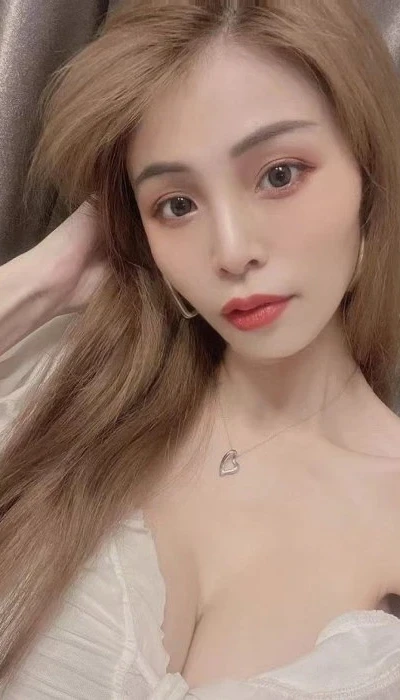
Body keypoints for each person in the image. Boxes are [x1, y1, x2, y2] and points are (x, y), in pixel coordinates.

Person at [1, 0, 400, 697]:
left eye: (280, 174)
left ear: (368, 174)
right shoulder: (63, 383)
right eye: (177, 204)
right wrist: (40, 282)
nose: (232, 251)